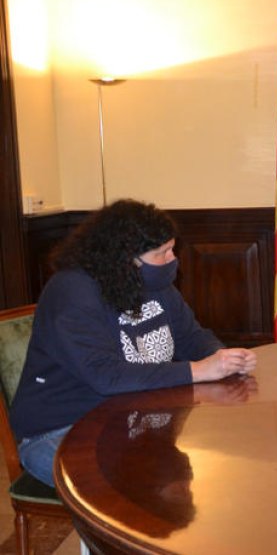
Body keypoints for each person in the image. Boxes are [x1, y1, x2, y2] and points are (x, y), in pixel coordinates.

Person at [9, 199, 256, 487]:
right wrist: (198, 370)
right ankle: (95, 534)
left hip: (131, 417)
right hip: (59, 429)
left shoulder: (156, 285)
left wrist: (223, 357)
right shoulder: (72, 293)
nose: (172, 260)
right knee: (131, 490)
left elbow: (191, 336)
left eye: (172, 249)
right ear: (124, 257)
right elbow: (106, 376)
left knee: (194, 468)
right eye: (160, 254)